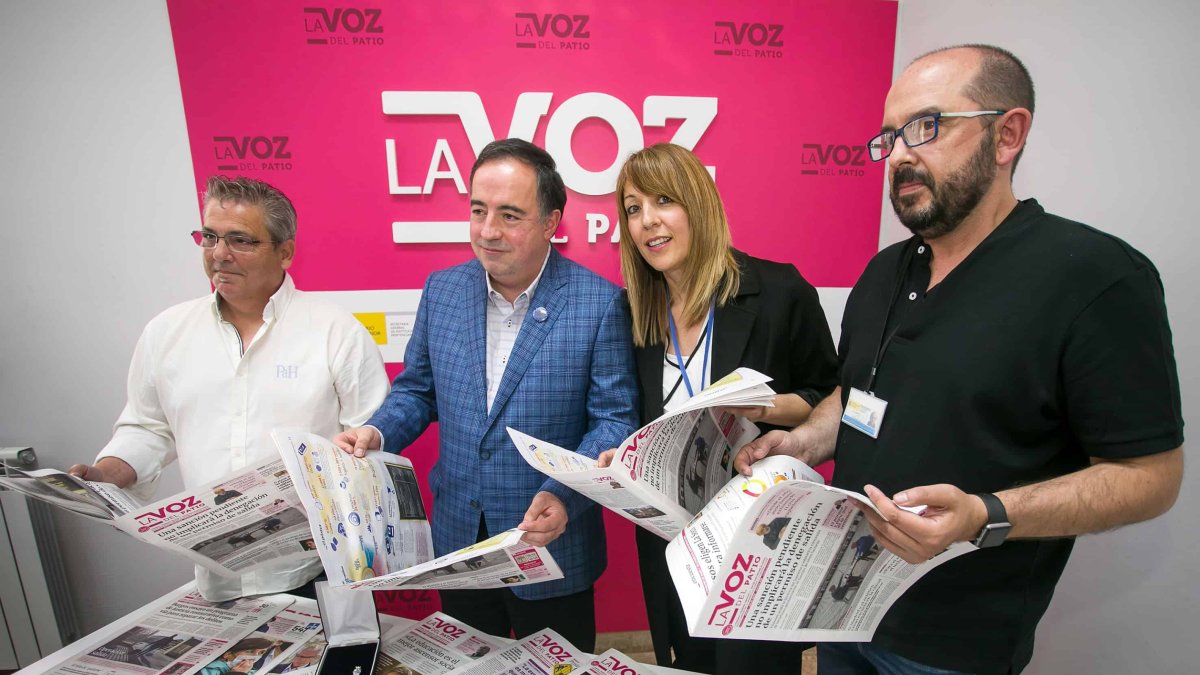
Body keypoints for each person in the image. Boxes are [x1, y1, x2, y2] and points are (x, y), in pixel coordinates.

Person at [737, 44, 1184, 674]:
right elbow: (861, 394)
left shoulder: (1096, 278)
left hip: (954, 645)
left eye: (925, 127)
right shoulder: (885, 270)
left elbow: (1150, 477)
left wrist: (984, 515)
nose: (899, 155)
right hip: (839, 605)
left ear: (1008, 135)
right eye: (889, 137)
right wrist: (806, 441)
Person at [333, 139, 639, 651]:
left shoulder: (600, 303)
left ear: (550, 222)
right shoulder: (443, 290)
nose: (488, 231)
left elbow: (613, 421)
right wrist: (377, 430)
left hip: (551, 544)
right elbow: (417, 390)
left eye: (510, 215)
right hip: (460, 540)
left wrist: (565, 495)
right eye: (478, 210)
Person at [69, 175, 389, 601]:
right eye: (209, 237)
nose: (219, 254)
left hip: (318, 569)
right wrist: (105, 474)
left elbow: (371, 438)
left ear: (285, 251)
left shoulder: (335, 331)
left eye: (240, 240)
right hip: (216, 570)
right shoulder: (167, 332)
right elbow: (148, 428)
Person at [599, 143, 838, 673]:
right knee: (690, 660)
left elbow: (829, 395)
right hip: (671, 534)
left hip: (754, 538)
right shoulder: (633, 309)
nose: (647, 222)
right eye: (633, 208)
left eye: (664, 200)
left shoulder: (778, 291)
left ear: (699, 203)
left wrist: (758, 405)